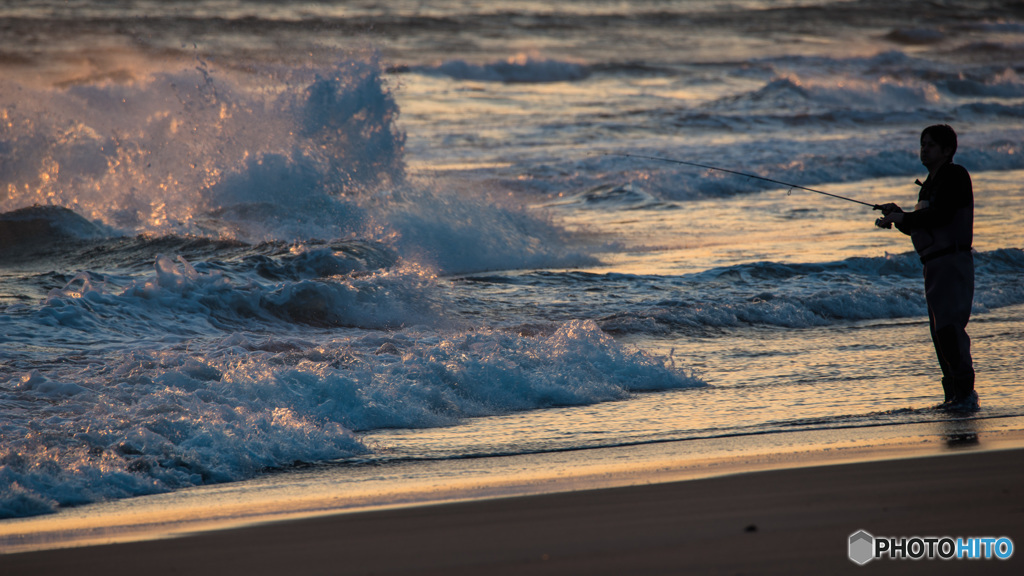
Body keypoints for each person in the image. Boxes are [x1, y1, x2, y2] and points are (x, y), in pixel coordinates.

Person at [875, 124, 976, 409]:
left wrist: (902, 217)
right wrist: (898, 216)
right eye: (922, 144)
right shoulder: (930, 185)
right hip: (933, 265)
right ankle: (954, 397)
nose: (924, 149)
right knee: (939, 335)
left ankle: (965, 397)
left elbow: (940, 215)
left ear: (947, 150)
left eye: (930, 145)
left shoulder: (954, 176)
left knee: (948, 330)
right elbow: (921, 226)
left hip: (951, 261)